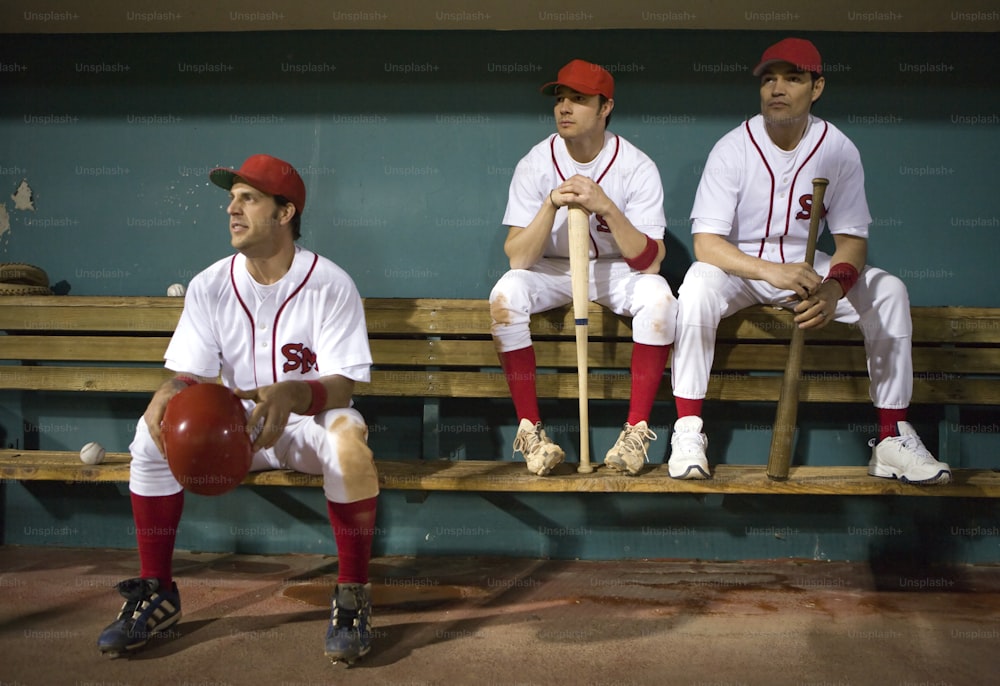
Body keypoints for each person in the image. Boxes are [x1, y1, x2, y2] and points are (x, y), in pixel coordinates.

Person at [96, 154, 380, 663]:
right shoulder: (209, 284)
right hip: (235, 432)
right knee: (149, 433)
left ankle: (353, 594)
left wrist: (294, 393)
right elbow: (195, 374)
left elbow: (345, 383)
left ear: (285, 212)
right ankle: (157, 589)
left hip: (303, 427)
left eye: (248, 198)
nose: (232, 208)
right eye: (232, 198)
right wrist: (172, 388)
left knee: (349, 439)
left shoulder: (331, 283)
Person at [668, 38, 951, 485]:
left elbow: (852, 243)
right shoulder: (732, 149)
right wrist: (767, 270)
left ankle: (891, 438)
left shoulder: (837, 149)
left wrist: (833, 288)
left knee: (891, 290)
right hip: (741, 269)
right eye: (769, 78)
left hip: (809, 270)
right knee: (698, 282)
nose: (777, 88)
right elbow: (706, 244)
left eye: (793, 78)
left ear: (816, 87)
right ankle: (687, 431)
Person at [490, 59, 677, 477]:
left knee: (661, 298)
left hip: (617, 272)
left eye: (578, 99)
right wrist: (550, 204)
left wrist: (605, 205)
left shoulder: (637, 167)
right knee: (505, 294)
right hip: (552, 270)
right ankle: (531, 433)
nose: (565, 108)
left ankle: (635, 433)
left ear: (605, 106)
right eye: (560, 98)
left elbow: (649, 260)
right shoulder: (535, 163)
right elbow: (518, 257)